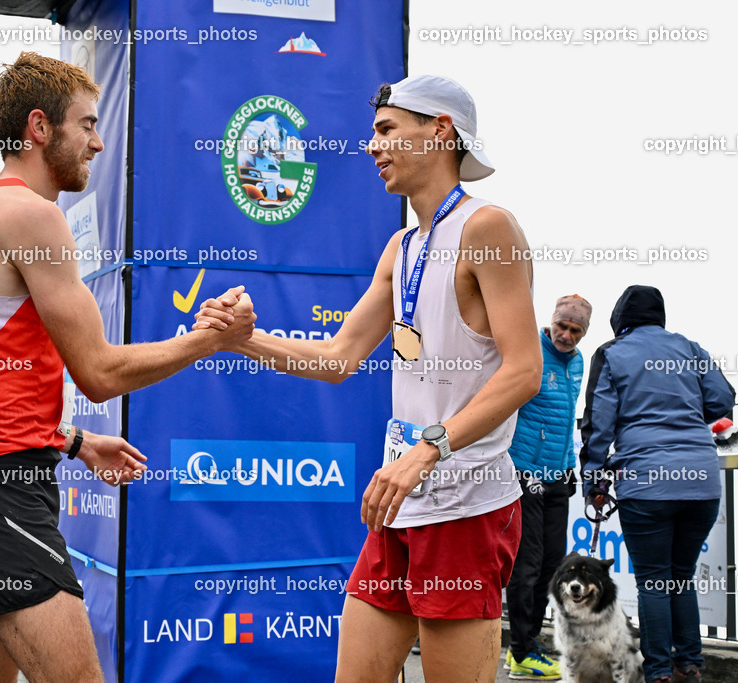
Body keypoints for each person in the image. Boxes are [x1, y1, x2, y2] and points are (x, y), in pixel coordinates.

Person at [0, 52, 255, 683]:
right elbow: (99, 372)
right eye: (88, 125)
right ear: (41, 128)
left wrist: (72, 439)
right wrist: (210, 339)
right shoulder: (31, 215)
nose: (100, 142)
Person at [197, 74, 541, 682]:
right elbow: (337, 359)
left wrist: (427, 450)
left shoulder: (488, 228)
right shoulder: (401, 246)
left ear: (440, 131)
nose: (371, 145)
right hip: (400, 500)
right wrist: (240, 339)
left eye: (386, 130)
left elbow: (523, 372)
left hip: (463, 506)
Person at [580, 285, 735, 683]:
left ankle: (660, 673)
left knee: (653, 581)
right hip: (701, 480)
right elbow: (723, 399)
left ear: (620, 321)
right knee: (680, 576)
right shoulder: (690, 348)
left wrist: (593, 482)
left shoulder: (612, 354)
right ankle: (690, 666)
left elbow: (598, 425)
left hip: (647, 481)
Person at [505, 294, 591, 680]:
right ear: (551, 321)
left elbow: (566, 418)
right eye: (562, 325)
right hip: (526, 472)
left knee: (552, 567)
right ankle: (520, 649)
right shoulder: (531, 349)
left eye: (575, 330)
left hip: (558, 475)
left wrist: (570, 466)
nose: (566, 335)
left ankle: (529, 646)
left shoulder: (577, 362)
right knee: (526, 566)